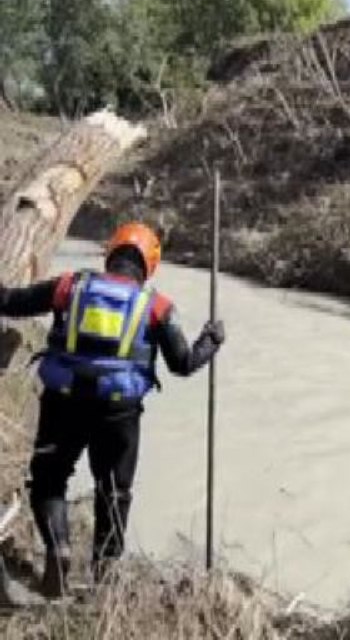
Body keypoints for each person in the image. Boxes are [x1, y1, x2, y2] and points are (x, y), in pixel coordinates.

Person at [0, 223, 225, 597]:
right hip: (119, 413)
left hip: (64, 402)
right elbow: (183, 364)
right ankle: (103, 581)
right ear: (149, 265)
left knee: (49, 481)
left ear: (111, 254)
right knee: (114, 492)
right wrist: (211, 340)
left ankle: (59, 548)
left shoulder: (70, 286)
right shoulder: (157, 308)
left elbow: (11, 302)